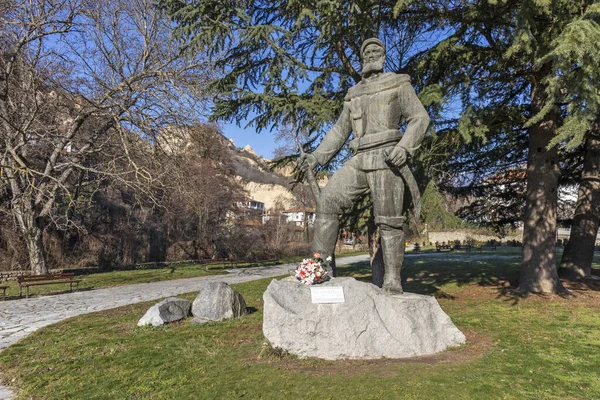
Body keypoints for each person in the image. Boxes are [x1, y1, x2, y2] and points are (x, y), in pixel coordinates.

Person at [300, 37, 430, 294]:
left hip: (387, 157)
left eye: (375, 51)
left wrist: (404, 148)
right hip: (360, 158)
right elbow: (339, 131)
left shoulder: (398, 83)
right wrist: (316, 157)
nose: (370, 55)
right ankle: (319, 270)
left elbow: (420, 117)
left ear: (383, 56)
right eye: (366, 52)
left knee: (389, 221)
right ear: (362, 59)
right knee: (327, 201)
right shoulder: (354, 93)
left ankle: (392, 278)